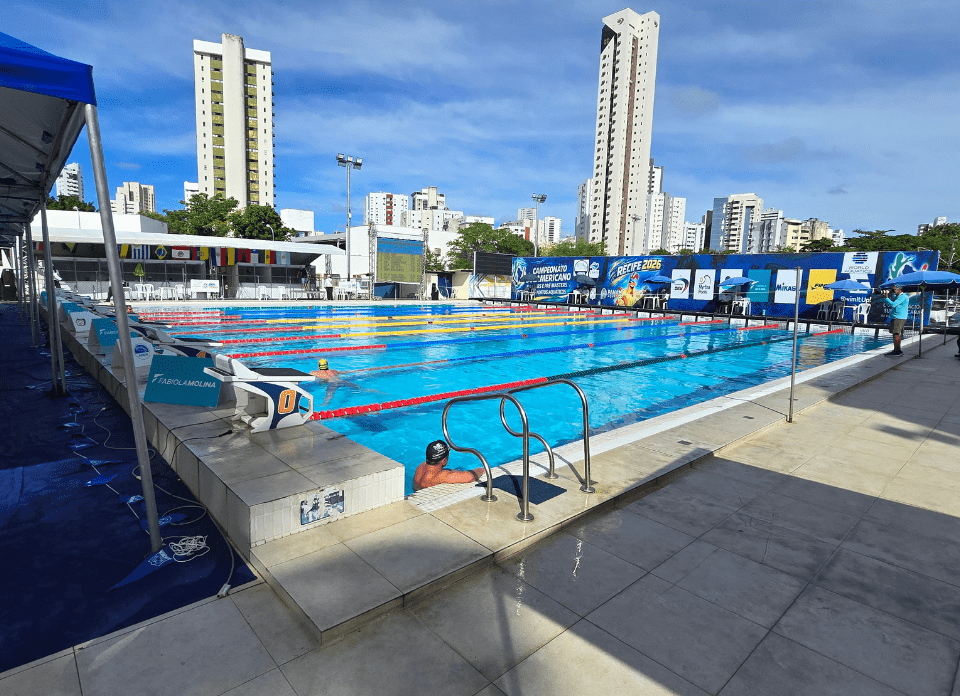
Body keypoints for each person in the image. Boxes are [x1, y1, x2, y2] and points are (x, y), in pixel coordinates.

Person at [413, 440, 486, 492]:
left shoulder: (421, 467)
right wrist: (482, 469)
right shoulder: (441, 476)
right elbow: (470, 477)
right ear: (444, 461)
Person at [879, 285, 909, 356]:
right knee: (895, 333)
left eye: (894, 290)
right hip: (896, 317)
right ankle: (896, 349)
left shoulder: (903, 297)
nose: (893, 292)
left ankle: (897, 351)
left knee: (896, 333)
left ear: (899, 290)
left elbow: (893, 304)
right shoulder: (898, 296)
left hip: (899, 318)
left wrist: (886, 297)